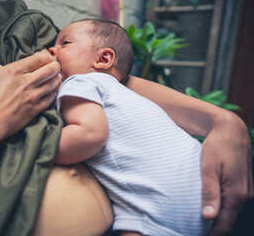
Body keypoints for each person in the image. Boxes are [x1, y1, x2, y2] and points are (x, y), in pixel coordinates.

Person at [0, 0, 252, 236]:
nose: (52, 50)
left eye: (62, 44)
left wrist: (221, 121)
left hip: (152, 209)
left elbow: (107, 79)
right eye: (58, 43)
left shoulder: (6, 18)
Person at [51, 18, 213, 235]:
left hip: (157, 210)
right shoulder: (129, 95)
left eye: (65, 43)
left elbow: (89, 134)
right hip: (203, 191)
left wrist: (36, 148)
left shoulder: (82, 82)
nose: (52, 49)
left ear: (104, 58)